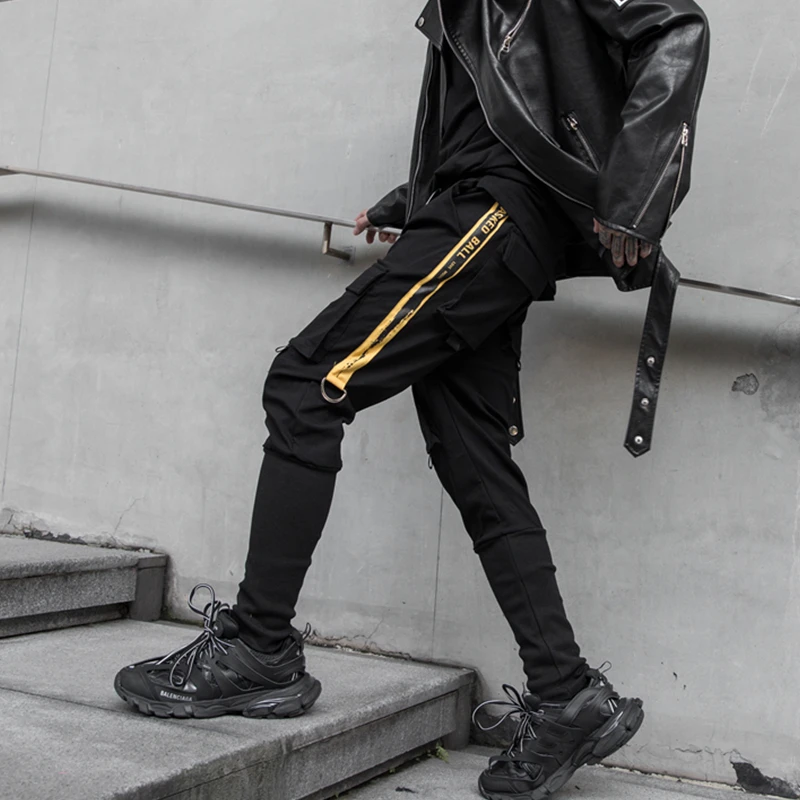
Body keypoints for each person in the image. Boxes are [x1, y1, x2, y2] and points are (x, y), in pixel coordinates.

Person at [114, 1, 709, 797]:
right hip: (483, 209)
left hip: (498, 210)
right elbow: (498, 113)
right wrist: (417, 198)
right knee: (473, 459)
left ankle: (259, 647)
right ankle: (565, 693)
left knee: (307, 384)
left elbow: (676, 27)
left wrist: (634, 193)